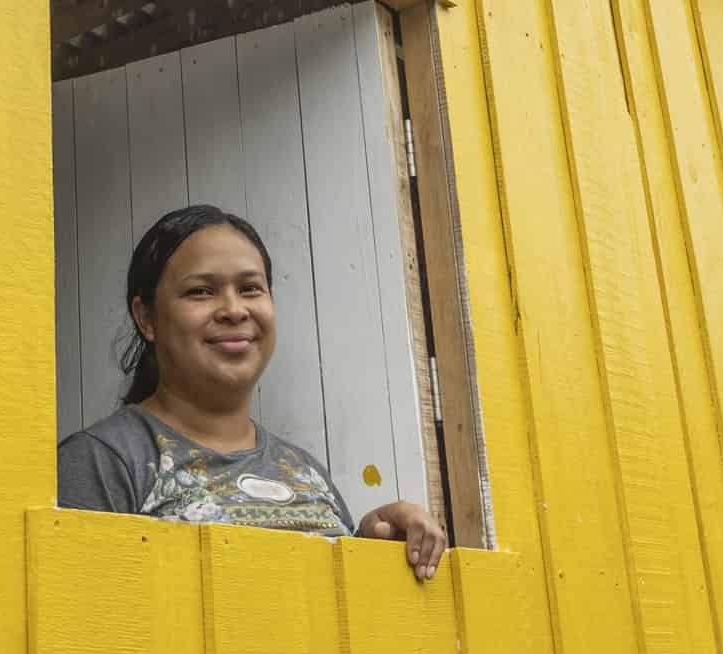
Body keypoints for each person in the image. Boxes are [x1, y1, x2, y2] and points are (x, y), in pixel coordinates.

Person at [57, 203, 449, 581]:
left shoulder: (305, 472)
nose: (234, 309)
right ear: (147, 318)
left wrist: (372, 549)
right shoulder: (103, 462)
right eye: (200, 292)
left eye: (250, 288)